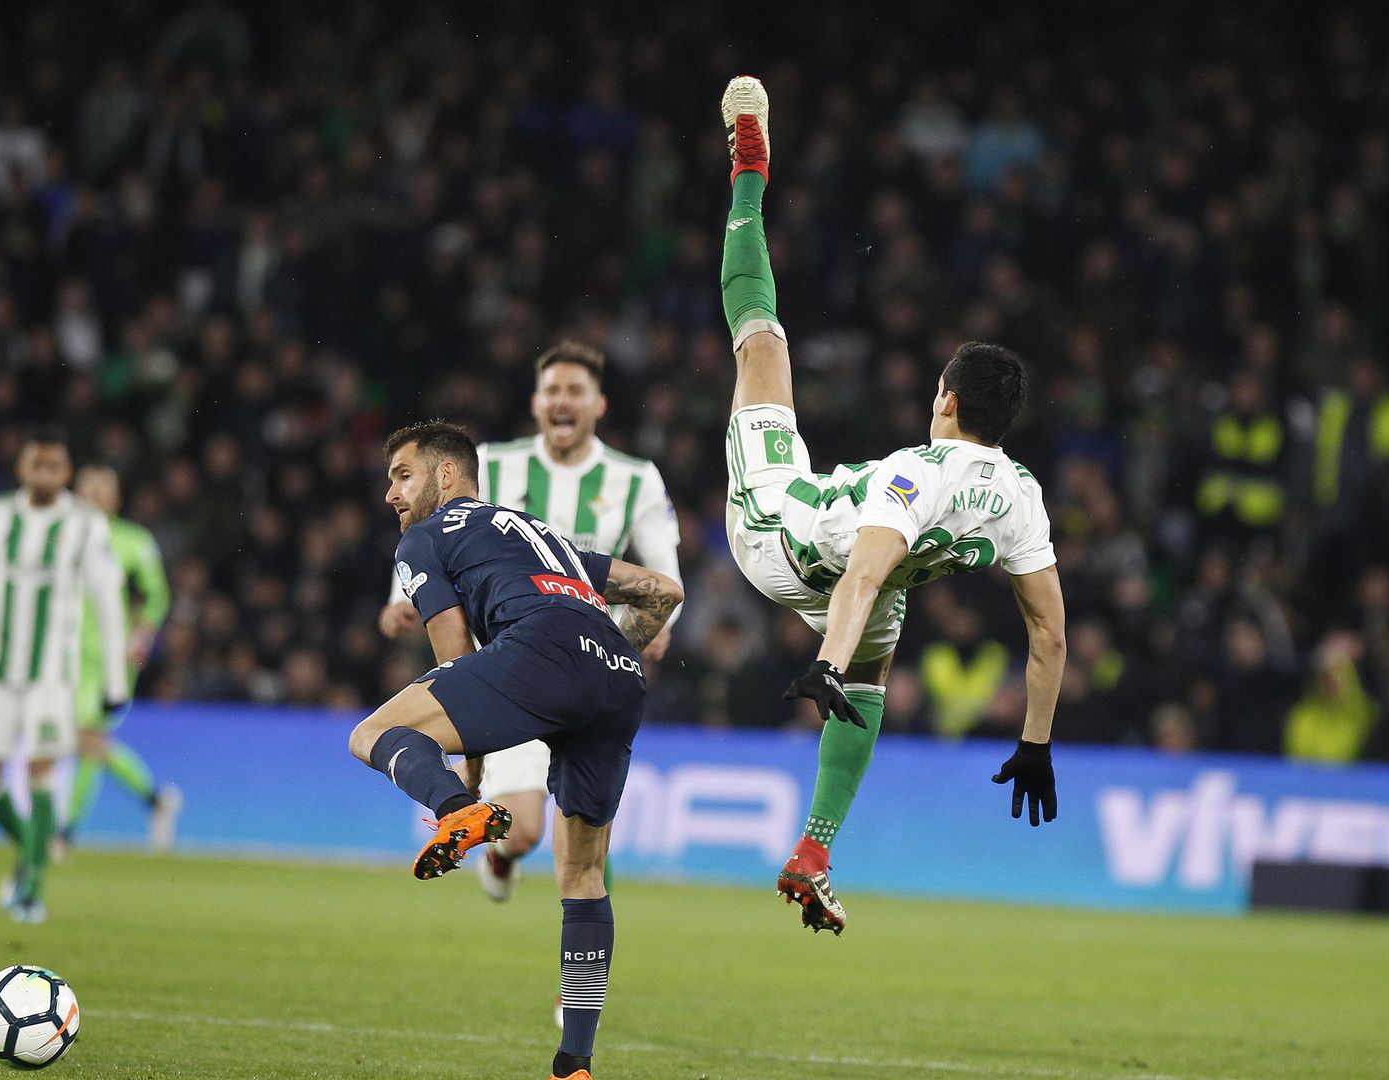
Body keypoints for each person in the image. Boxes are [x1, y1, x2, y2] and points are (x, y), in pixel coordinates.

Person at [717, 76, 1068, 934]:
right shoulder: (1022, 496)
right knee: (876, 671)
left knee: (761, 341)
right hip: (864, 582)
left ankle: (747, 175)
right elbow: (1050, 633)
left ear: (947, 399)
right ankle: (815, 850)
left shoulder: (917, 468)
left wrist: (826, 663)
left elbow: (865, 572)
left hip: (778, 530)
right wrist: (1035, 742)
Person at [350, 421, 681, 1080]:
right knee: (583, 876)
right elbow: (661, 593)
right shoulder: (538, 535)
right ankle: (575, 1064)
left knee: (372, 734)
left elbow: (452, 655)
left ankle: (450, 811)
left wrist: (466, 789)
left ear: (447, 476)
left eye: (402, 475)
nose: (390, 493)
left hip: (538, 650)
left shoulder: (426, 538)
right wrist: (610, 655)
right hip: (617, 671)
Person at [379, 341, 681, 903]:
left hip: (575, 650)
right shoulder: (491, 461)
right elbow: (432, 536)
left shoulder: (636, 477)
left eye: (575, 391)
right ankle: (506, 856)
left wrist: (640, 633)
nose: (562, 401)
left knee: (580, 848)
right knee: (527, 831)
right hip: (521, 657)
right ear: (537, 402)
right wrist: (403, 596)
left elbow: (664, 575)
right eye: (552, 390)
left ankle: (477, 824)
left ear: (599, 405)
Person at [0, 426, 129, 923]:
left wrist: (114, 682)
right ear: (21, 469)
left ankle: (31, 887)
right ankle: (31, 849)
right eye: (35, 465)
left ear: (65, 473)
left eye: (53, 466)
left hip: (53, 674)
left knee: (40, 770)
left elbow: (109, 603)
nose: (44, 474)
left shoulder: (86, 524)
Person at [53, 465, 181, 861]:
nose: (92, 496)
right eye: (86, 489)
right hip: (64, 656)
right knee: (90, 744)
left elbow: (157, 596)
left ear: (115, 500)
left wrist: (140, 635)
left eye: (101, 491)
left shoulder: (132, 542)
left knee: (86, 738)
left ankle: (64, 834)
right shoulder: (58, 539)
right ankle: (157, 800)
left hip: (110, 660)